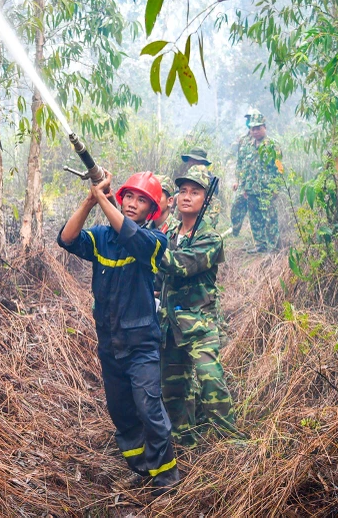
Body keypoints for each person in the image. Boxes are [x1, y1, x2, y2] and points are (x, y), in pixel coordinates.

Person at [57, 171, 181, 494]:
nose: (132, 204)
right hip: (109, 345)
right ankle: (142, 469)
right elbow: (67, 239)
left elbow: (130, 235)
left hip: (141, 347)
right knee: (121, 411)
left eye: (142, 200)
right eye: (129, 196)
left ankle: (166, 478)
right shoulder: (101, 238)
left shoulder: (153, 241)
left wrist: (103, 200)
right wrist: (90, 199)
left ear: (152, 210)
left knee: (149, 408)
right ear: (121, 197)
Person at [158, 165, 240, 447]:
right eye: (182, 191)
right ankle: (185, 440)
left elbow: (181, 265)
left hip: (199, 324)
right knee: (173, 388)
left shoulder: (210, 238)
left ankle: (229, 441)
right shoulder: (169, 235)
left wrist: (147, 247)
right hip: (170, 325)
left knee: (210, 379)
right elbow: (159, 277)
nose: (186, 197)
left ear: (205, 200)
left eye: (195, 192)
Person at [230, 110, 282, 253]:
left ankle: (273, 247)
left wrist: (275, 189)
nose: (255, 131)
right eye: (252, 128)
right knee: (255, 218)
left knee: (270, 218)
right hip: (251, 189)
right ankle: (260, 244)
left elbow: (279, 169)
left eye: (258, 128)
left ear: (264, 127)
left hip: (267, 189)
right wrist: (243, 185)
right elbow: (241, 165)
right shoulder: (246, 145)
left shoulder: (273, 146)